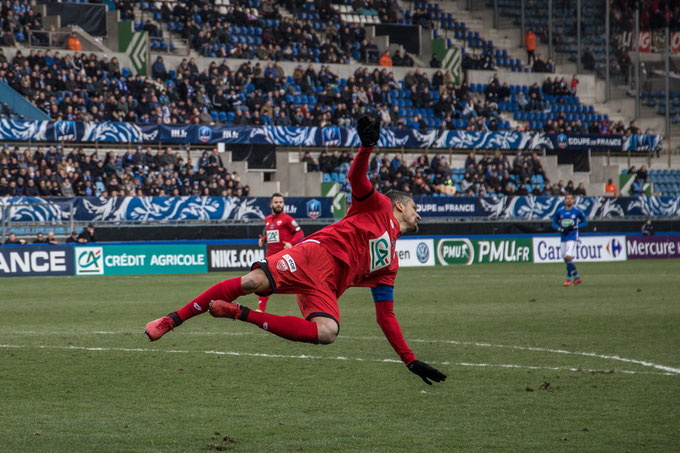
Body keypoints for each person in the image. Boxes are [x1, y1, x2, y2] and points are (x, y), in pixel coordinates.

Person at [145, 117, 447, 386]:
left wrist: (409, 359)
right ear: (399, 205)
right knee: (251, 282)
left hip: (328, 286)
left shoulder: (390, 263)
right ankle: (170, 320)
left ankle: (239, 313)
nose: (418, 214)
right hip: (315, 255)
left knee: (327, 332)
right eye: (415, 207)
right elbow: (357, 179)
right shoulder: (377, 204)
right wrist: (366, 147)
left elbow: (386, 317)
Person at [256, 193, 304, 313]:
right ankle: (261, 310)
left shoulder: (288, 219)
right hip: (270, 257)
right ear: (271, 204)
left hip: (284, 257)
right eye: (276, 202)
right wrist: (264, 239)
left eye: (281, 202)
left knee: (298, 284)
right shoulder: (267, 219)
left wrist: (291, 243)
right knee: (262, 280)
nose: (279, 204)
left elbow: (300, 233)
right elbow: (274, 236)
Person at [552, 194, 587, 287]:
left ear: (573, 201)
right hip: (563, 237)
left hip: (572, 237)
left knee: (568, 257)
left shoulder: (577, 211)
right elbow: (554, 223)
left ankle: (568, 279)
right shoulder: (560, 212)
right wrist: (560, 229)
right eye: (567, 198)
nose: (569, 200)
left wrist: (575, 227)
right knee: (565, 258)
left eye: (571, 198)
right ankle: (576, 277)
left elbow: (585, 222)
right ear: (564, 200)